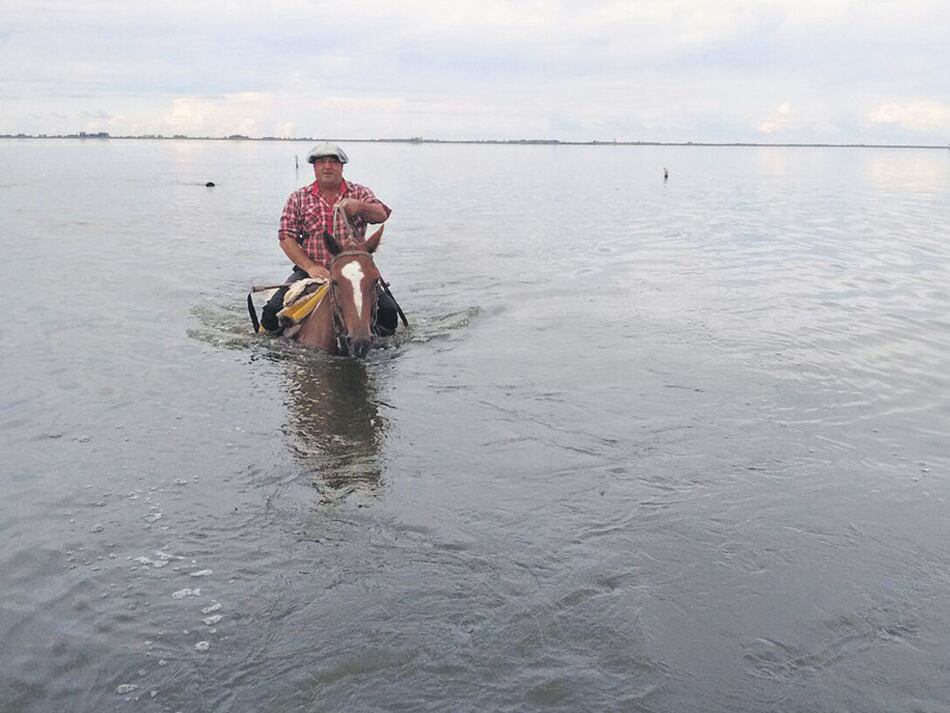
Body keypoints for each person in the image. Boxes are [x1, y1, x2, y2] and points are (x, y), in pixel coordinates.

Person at [261, 142, 399, 334]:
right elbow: (286, 237)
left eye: (333, 162)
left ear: (342, 166)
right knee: (271, 313)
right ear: (314, 167)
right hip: (311, 271)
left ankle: (380, 348)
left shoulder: (359, 193)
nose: (327, 166)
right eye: (321, 162)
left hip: (352, 273)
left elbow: (381, 214)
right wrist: (310, 267)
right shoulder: (298, 198)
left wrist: (359, 206)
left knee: (389, 313)